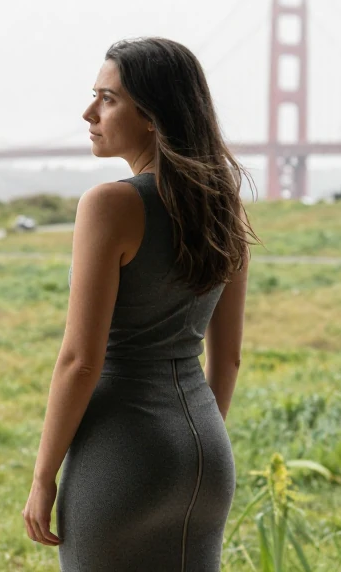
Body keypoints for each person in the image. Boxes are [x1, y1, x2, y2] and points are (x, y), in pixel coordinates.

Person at [21, 37, 257, 571]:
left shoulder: (110, 204)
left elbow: (81, 360)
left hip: (122, 454)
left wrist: (42, 477)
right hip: (205, 454)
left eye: (107, 99)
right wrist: (190, 445)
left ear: (152, 115)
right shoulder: (226, 208)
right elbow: (230, 359)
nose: (89, 113)